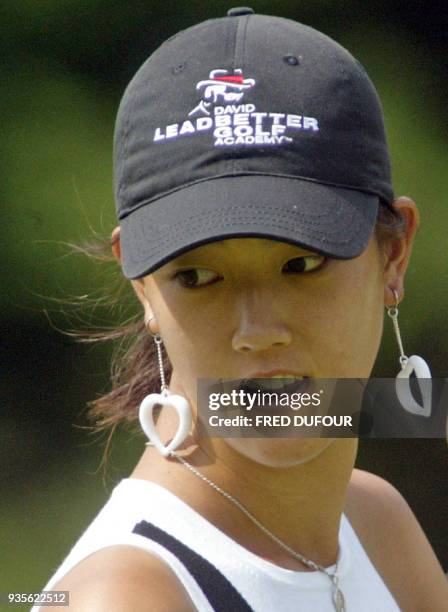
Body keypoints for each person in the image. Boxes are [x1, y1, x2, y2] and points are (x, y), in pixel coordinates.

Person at [35, 8, 448, 611]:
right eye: (198, 277)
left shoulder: (373, 522)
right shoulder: (128, 595)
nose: (256, 332)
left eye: (301, 264)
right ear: (143, 286)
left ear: (394, 256)